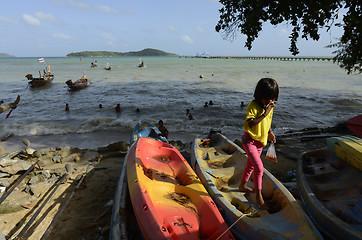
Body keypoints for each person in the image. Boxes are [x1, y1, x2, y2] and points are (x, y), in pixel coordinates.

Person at [239, 78, 278, 210]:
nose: (270, 102)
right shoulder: (253, 106)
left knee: (250, 166)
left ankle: (242, 186)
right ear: (260, 95)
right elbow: (251, 123)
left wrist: (270, 132)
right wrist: (264, 113)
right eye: (268, 98)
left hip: (261, 142)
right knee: (259, 168)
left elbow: (268, 122)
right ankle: (258, 197)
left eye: (272, 98)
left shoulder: (270, 106)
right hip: (249, 140)